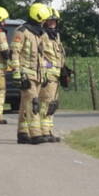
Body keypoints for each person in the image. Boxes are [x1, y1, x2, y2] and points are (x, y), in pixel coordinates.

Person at [11, 2, 50, 144]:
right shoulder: (22, 32)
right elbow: (14, 52)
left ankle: (22, 133)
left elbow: (42, 56)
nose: (45, 22)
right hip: (26, 74)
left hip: (38, 74)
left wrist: (45, 72)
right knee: (33, 103)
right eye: (43, 19)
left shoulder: (39, 34)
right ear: (38, 17)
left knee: (25, 104)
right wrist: (17, 72)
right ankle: (35, 134)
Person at [37, 7, 65, 143]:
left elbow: (58, 55)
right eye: (50, 20)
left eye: (54, 20)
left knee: (52, 104)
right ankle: (43, 131)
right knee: (45, 103)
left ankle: (48, 130)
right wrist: (49, 67)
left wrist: (63, 68)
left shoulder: (56, 35)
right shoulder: (41, 35)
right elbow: (38, 57)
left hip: (56, 76)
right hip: (47, 76)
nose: (53, 23)